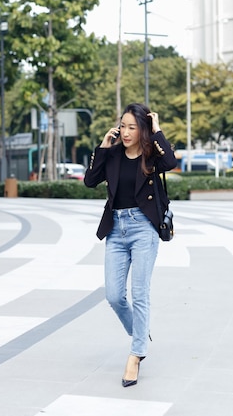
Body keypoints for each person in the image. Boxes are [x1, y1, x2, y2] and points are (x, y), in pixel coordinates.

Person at [84, 103, 177, 387]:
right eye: (122, 126)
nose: (125, 132)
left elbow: (170, 162)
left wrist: (158, 129)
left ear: (143, 130)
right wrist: (102, 146)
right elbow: (90, 181)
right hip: (116, 229)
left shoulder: (152, 156)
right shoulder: (112, 156)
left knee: (140, 294)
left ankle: (136, 354)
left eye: (132, 127)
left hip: (143, 228)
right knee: (113, 295)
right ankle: (140, 331)